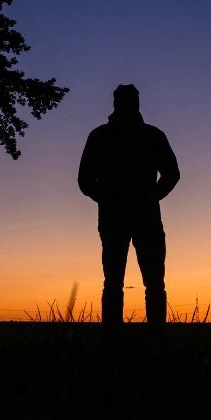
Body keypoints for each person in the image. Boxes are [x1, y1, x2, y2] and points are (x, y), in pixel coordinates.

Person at [78, 84, 180, 326]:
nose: (128, 105)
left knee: (148, 282)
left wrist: (151, 197)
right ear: (116, 103)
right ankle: (120, 340)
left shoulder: (150, 135)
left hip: (140, 217)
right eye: (125, 100)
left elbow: (172, 174)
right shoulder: (102, 136)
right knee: (118, 281)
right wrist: (106, 198)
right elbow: (84, 180)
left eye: (131, 100)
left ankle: (148, 339)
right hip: (125, 217)